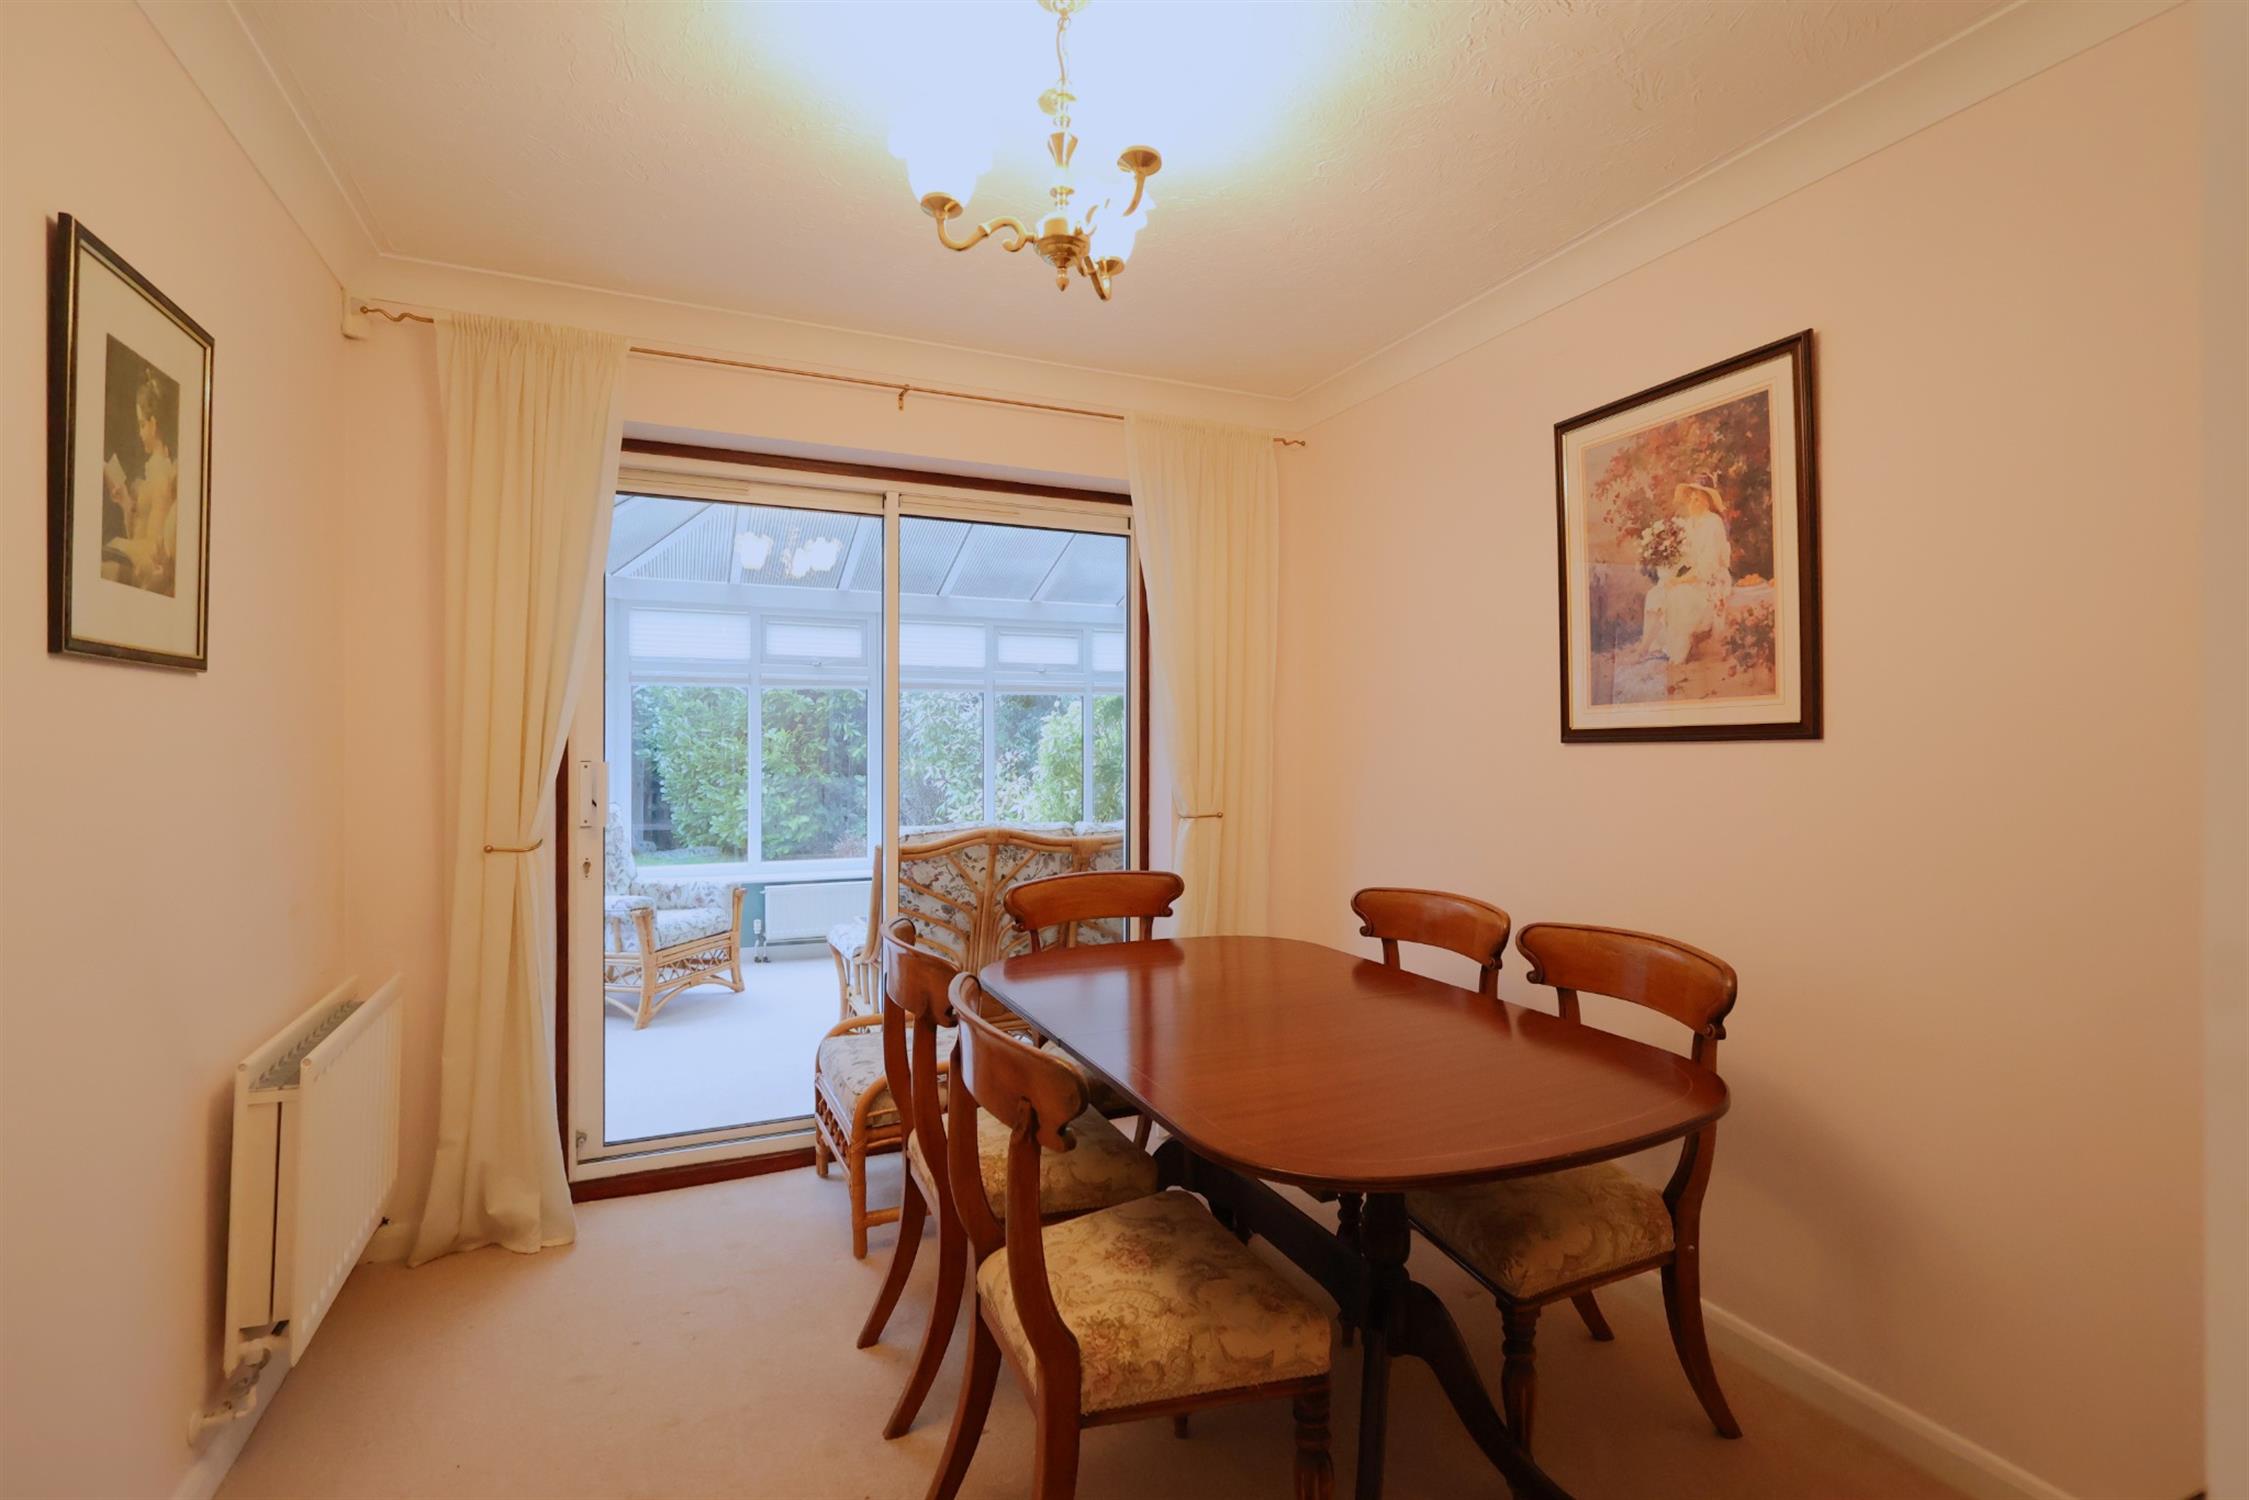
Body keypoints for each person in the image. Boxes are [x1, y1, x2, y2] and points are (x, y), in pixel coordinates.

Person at [1637, 481, 1732, 666]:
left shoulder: (1713, 523)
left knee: (1680, 596)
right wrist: (1672, 575)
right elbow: (1683, 557)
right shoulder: (1689, 524)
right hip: (1689, 575)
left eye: (1698, 500)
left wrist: (1681, 581)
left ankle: (1677, 654)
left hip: (1711, 579)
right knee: (1656, 594)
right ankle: (1647, 647)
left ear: (1707, 502)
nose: (1692, 504)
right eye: (1691, 499)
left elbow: (1709, 564)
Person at [101, 372, 178, 595]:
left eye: (142, 425)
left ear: (154, 424)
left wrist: (119, 544)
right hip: (135, 560)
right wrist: (125, 503)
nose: (140, 432)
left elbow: (153, 546)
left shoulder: (161, 473)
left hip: (145, 569)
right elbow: (138, 533)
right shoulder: (152, 470)